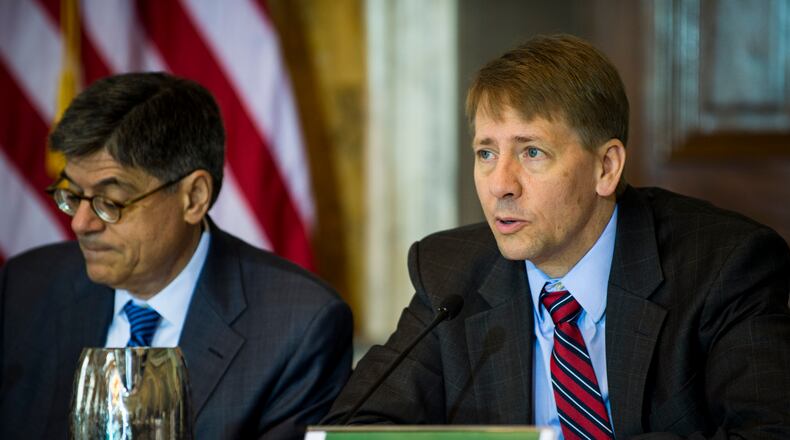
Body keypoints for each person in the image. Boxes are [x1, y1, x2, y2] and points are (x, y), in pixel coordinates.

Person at [324, 35, 790, 439]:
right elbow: (356, 427)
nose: (501, 185)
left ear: (606, 167)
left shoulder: (723, 266)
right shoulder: (450, 274)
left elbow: (768, 433)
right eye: (486, 153)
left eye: (532, 152)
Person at [0, 72, 353, 439]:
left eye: (110, 201)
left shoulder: (297, 328)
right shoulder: (23, 289)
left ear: (194, 198)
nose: (80, 223)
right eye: (72, 195)